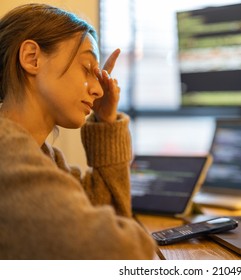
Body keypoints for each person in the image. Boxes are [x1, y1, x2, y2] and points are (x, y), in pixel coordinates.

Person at [0, 3, 156, 259]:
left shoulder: (46, 158)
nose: (98, 90)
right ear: (32, 58)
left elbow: (111, 213)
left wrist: (106, 123)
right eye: (87, 69)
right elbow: (124, 252)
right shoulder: (6, 151)